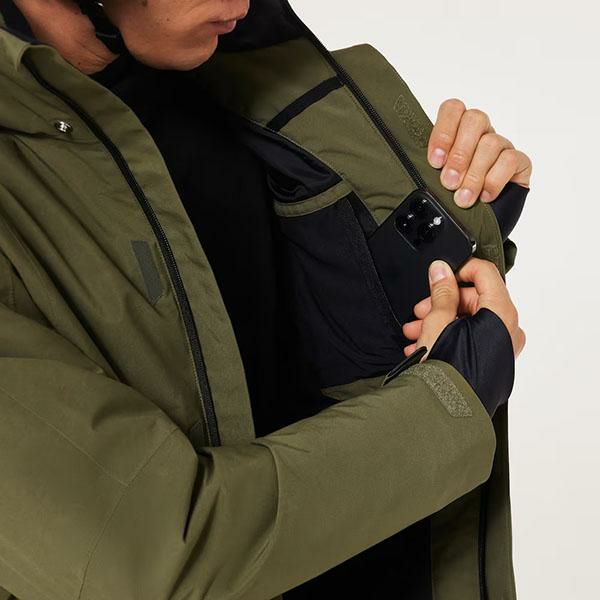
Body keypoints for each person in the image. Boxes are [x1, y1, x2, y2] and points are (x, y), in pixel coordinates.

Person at [0, 1, 531, 599]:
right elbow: (149, 559)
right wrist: (449, 400)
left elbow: (296, 368)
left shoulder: (225, 66)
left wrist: (445, 233)